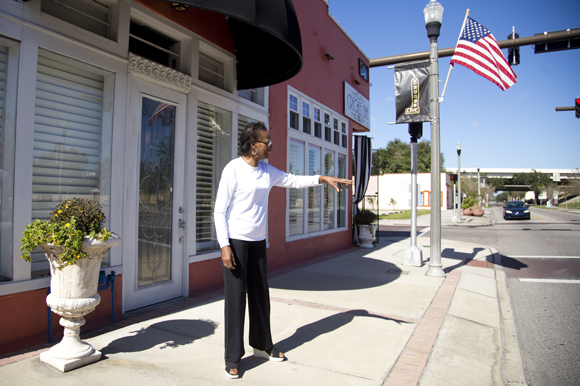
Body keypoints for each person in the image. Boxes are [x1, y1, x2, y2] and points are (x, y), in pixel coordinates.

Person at [214, 122, 352, 379]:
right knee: (235, 301)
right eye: (267, 142)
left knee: (260, 296)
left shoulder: (267, 171)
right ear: (254, 146)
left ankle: (262, 345)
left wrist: (322, 178)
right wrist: (224, 246)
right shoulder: (233, 169)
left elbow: (293, 180)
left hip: (257, 242)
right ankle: (232, 357)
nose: (271, 146)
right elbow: (219, 211)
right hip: (235, 241)